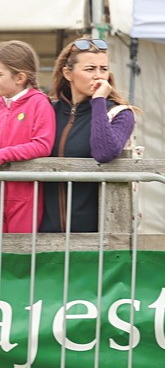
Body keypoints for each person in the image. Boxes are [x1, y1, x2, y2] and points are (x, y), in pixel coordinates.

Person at [39, 38, 139, 233]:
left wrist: (99, 100)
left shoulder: (121, 113)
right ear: (68, 73)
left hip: (98, 235)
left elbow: (104, 153)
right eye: (90, 69)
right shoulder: (48, 110)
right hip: (42, 233)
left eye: (104, 69)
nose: (99, 76)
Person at [0, 40, 55, 232]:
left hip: (25, 195)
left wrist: (4, 154)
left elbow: (42, 145)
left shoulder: (39, 103)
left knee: (20, 254)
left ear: (20, 77)